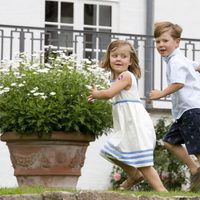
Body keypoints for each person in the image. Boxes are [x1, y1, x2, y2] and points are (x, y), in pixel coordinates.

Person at [88, 40, 167, 192]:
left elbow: (109, 94)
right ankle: (134, 175)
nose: (118, 59)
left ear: (130, 61)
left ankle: (162, 191)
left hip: (135, 124)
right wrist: (98, 94)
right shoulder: (116, 78)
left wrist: (97, 94)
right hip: (127, 125)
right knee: (110, 151)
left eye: (123, 56)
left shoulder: (126, 76)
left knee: (144, 163)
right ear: (109, 58)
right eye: (115, 55)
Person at [149, 21, 200, 192]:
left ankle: (196, 170)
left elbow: (178, 83)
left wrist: (160, 94)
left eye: (165, 40)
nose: (161, 45)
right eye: (157, 41)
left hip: (190, 110)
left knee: (198, 149)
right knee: (170, 141)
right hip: (184, 111)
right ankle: (194, 168)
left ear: (177, 42)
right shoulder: (180, 59)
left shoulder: (176, 62)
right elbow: (196, 66)